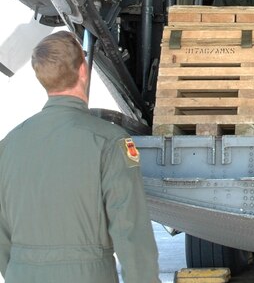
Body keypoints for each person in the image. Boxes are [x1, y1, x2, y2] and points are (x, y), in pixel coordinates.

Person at [0, 32, 160, 283]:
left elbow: (2, 238)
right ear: (83, 70)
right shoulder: (109, 142)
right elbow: (131, 232)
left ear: (42, 77)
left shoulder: (8, 145)